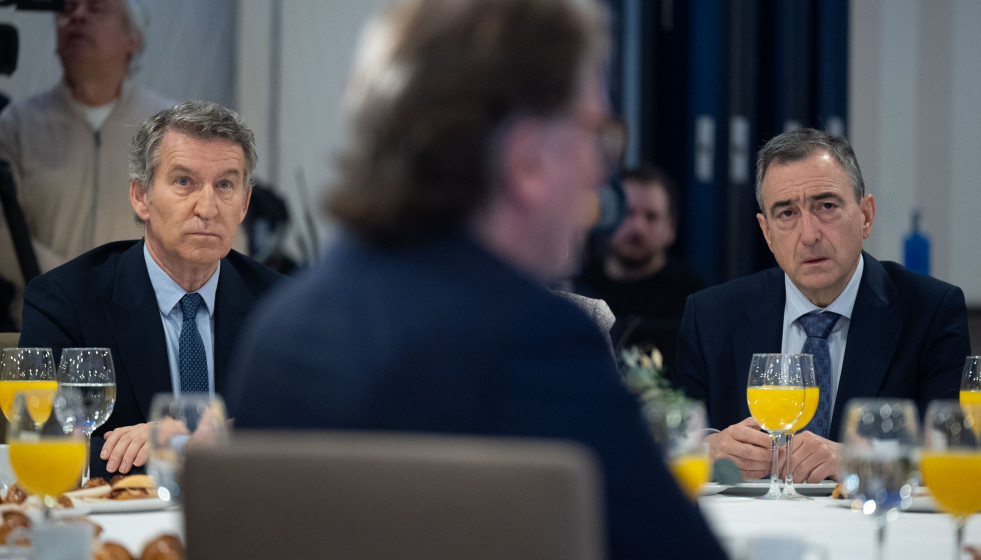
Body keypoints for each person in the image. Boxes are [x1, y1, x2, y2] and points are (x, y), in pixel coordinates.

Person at [225, 1, 727, 558]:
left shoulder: (281, 331)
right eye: (594, 135)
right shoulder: (533, 341)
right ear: (528, 160)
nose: (598, 171)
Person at [673, 128, 970, 483]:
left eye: (826, 206)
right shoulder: (711, 316)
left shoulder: (931, 311)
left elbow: (960, 453)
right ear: (767, 233)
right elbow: (668, 443)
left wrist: (859, 460)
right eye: (786, 214)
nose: (809, 234)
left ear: (865, 216)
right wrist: (709, 449)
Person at [19, 100, 284, 479]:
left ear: (244, 203)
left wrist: (184, 438)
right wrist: (179, 450)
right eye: (183, 182)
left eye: (224, 184)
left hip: (244, 519)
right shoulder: (65, 300)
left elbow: (318, 427)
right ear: (141, 196)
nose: (207, 207)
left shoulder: (279, 306)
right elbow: (40, 441)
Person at [0, 0, 173, 325]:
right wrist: (77, 286)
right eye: (66, 9)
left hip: (141, 330)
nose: (77, 16)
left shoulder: (172, 129)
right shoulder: (16, 125)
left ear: (133, 37)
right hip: (36, 331)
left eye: (96, 8)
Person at [576, 165, 706, 366]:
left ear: (670, 229)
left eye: (651, 217)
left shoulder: (697, 305)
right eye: (627, 213)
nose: (638, 227)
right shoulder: (577, 292)